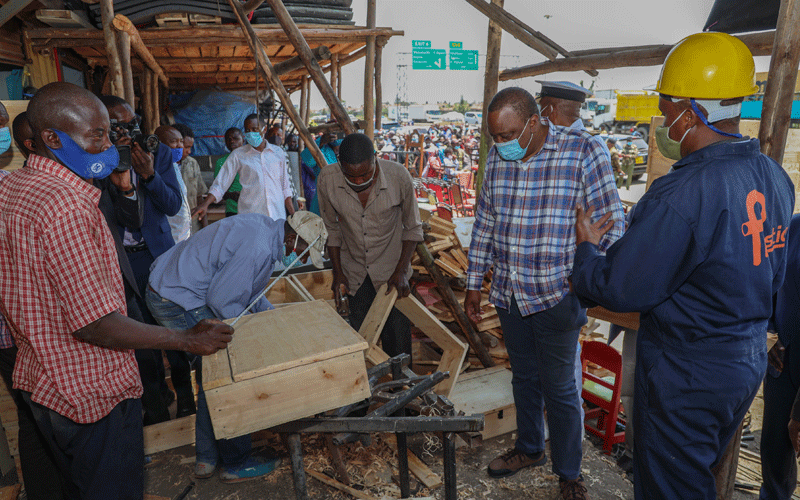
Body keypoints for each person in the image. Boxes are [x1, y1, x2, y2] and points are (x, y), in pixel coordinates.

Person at [571, 32, 794, 500]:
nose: (664, 121)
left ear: (690, 113)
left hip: (687, 369)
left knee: (671, 486)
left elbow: (620, 288)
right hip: (744, 359)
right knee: (697, 471)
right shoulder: (774, 177)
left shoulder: (682, 194)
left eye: (667, 110)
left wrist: (588, 251)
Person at [0, 82, 233, 499]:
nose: (108, 145)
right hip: (90, 391)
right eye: (96, 136)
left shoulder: (14, 187)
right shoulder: (66, 205)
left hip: (44, 382)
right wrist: (184, 339)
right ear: (52, 138)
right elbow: (95, 325)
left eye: (109, 133)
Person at [464, 86, 624, 500]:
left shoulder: (584, 150)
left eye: (507, 135)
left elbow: (612, 225)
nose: (500, 145)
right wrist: (472, 281)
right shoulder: (499, 158)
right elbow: (484, 221)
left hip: (557, 295)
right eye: (493, 137)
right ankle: (530, 448)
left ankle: (570, 473)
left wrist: (582, 277)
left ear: (535, 122)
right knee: (524, 379)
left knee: (561, 390)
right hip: (510, 292)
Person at [146, 211, 327, 482]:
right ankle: (235, 461)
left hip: (172, 283)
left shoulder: (266, 230)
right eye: (301, 251)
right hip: (176, 296)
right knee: (231, 366)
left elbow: (249, 290)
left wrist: (270, 317)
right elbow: (222, 301)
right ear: (291, 238)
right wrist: (257, 334)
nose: (301, 258)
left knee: (212, 375)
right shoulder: (259, 248)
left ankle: (207, 459)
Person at [101, 95, 186, 425]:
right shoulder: (97, 159)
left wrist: (149, 175)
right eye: (120, 125)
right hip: (122, 264)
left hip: (158, 257)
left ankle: (186, 398)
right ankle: (156, 407)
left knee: (174, 327)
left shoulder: (158, 152)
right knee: (140, 339)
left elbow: (173, 205)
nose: (130, 131)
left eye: (133, 122)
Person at [318, 133, 423, 359]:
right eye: (350, 176)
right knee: (361, 343)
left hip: (392, 272)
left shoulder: (398, 177)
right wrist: (338, 273)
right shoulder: (328, 179)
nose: (358, 182)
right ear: (339, 164)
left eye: (364, 174)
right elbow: (331, 230)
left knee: (398, 344)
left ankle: (402, 389)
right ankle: (369, 393)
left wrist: (402, 271)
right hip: (354, 271)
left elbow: (412, 228)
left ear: (375, 158)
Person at [761, 214, 800, 500]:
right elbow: (769, 280)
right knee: (775, 450)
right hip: (783, 361)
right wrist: (770, 333)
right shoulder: (794, 226)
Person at [194, 114, 294, 221]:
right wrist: (205, 204)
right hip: (250, 217)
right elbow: (220, 184)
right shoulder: (238, 155)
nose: (251, 133)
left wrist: (293, 215)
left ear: (264, 129)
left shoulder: (278, 153)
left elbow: (285, 187)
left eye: (255, 129)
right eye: (247, 130)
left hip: (277, 216)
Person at [156, 125, 192, 244]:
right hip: (170, 238)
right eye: (173, 142)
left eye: (181, 141)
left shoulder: (175, 166)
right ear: (159, 143)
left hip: (182, 237)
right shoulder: (156, 171)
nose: (180, 146)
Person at [173, 123, 208, 231]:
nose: (189, 151)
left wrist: (205, 228)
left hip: (192, 226)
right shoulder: (162, 166)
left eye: (190, 147)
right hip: (173, 227)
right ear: (176, 144)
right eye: (186, 147)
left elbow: (199, 197)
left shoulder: (192, 164)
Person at [301, 131, 342, 215]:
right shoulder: (322, 148)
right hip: (322, 202)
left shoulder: (349, 147)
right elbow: (308, 160)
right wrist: (320, 142)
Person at [214, 127, 244, 217]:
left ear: (243, 139)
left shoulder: (250, 159)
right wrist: (231, 195)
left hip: (251, 208)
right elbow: (217, 189)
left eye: (235, 138)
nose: (231, 141)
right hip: (232, 210)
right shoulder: (221, 162)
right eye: (228, 139)